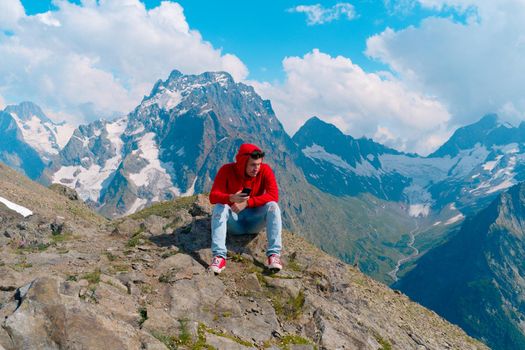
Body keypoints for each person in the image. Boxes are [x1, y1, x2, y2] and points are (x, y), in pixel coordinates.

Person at [208, 143, 283, 274]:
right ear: (243, 163)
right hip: (234, 222)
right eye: (253, 165)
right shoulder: (226, 170)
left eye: (259, 164)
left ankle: (274, 255)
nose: (257, 168)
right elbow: (213, 196)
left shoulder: (265, 170)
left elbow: (273, 195)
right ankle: (219, 257)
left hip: (254, 221)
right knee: (220, 207)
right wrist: (231, 198)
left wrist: (247, 203)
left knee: (273, 206)